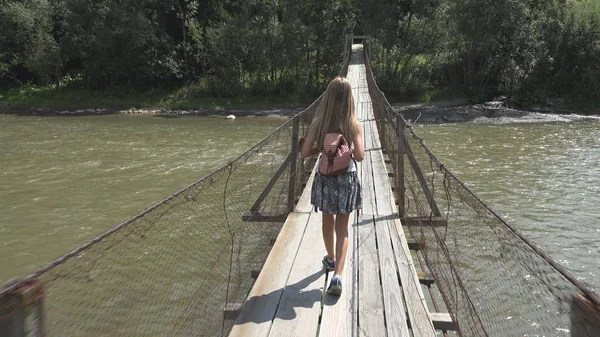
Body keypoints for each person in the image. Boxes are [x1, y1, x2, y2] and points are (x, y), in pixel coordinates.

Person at [300, 76, 364, 296]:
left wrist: (323, 148)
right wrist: (348, 147)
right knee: (343, 228)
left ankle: (330, 258)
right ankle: (338, 275)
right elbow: (360, 156)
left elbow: (304, 152)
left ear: (327, 98)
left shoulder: (319, 123)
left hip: (326, 178)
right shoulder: (353, 124)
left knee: (328, 221)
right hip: (346, 179)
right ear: (349, 99)